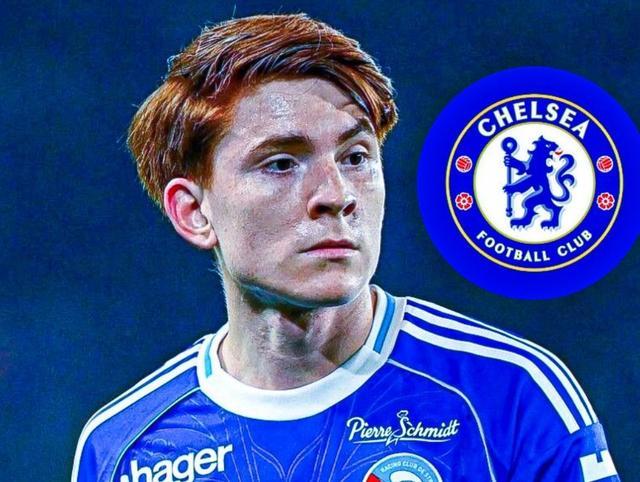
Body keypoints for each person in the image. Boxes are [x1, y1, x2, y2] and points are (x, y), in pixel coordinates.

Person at [72, 13, 619, 482]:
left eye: (355, 157)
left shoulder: (507, 394)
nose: (336, 195)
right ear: (194, 212)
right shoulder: (123, 449)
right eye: (280, 164)